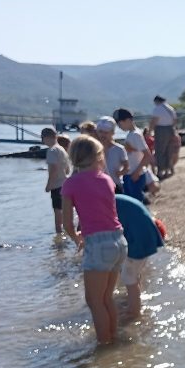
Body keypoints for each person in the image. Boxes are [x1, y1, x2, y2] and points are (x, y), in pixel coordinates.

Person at [61, 135, 127, 344]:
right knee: (107, 298)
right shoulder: (107, 179)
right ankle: (113, 338)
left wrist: (76, 238)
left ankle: (104, 345)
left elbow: (67, 224)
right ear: (98, 156)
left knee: (94, 301)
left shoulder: (70, 184)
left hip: (98, 245)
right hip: (119, 240)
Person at [114, 194, 164, 319]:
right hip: (146, 230)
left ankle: (134, 312)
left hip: (139, 236)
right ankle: (135, 299)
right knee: (134, 273)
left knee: (128, 277)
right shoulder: (113, 199)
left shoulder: (102, 204)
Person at [114, 108, 159, 202]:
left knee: (135, 202)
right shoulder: (132, 134)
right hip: (130, 173)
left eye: (120, 123)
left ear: (128, 120)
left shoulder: (135, 135)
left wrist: (137, 172)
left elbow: (147, 155)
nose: (119, 127)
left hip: (135, 174)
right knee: (131, 202)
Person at [41, 126, 71, 234]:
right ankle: (66, 233)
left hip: (57, 185)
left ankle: (59, 235)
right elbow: (67, 169)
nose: (42, 141)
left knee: (57, 213)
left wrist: (48, 185)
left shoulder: (52, 150)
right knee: (64, 211)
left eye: (42, 138)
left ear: (47, 137)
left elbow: (53, 169)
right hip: (65, 184)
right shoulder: (62, 149)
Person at [95, 116, 128, 193]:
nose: (103, 135)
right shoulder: (93, 148)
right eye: (100, 132)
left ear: (112, 132)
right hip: (98, 185)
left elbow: (126, 167)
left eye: (106, 132)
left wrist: (120, 173)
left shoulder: (119, 149)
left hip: (115, 185)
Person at [149, 95, 177, 179]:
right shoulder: (170, 108)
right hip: (170, 129)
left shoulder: (158, 109)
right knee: (169, 150)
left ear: (157, 101)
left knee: (160, 150)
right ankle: (169, 169)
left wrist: (150, 131)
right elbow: (175, 120)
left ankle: (160, 171)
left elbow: (154, 121)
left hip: (161, 130)